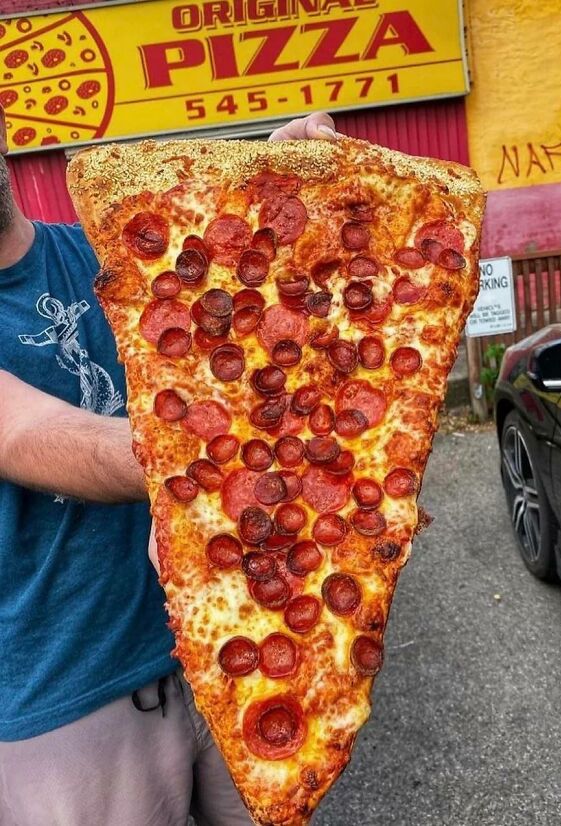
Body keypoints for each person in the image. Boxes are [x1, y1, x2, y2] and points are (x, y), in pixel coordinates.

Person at [0, 110, 338, 826]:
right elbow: (32, 433)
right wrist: (221, 454)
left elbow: (229, 304)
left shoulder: (100, 250)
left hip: (227, 642)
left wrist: (269, 196)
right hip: (68, 694)